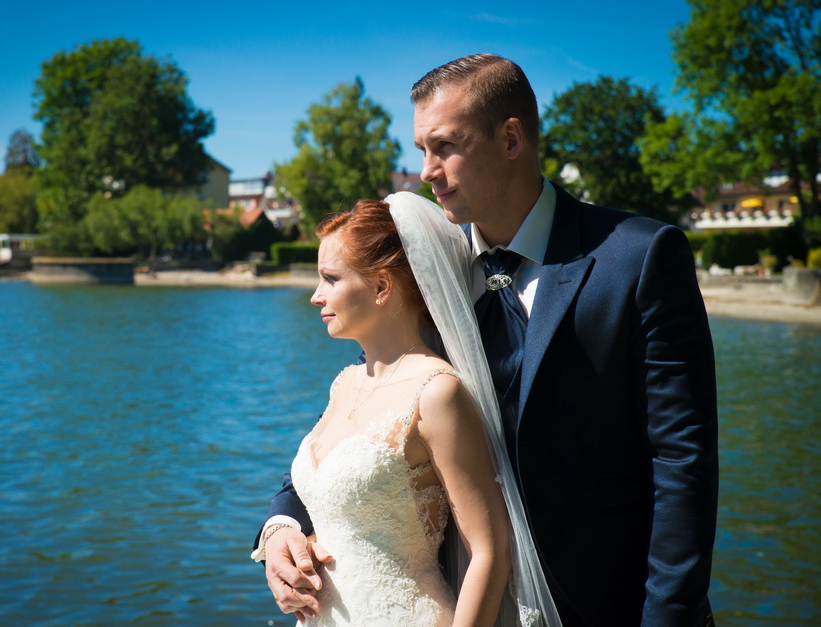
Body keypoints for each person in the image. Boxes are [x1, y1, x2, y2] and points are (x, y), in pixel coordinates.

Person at [256, 53, 719, 627]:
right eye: (421, 149)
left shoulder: (637, 256)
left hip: (609, 604)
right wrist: (281, 525)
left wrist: (667, 618)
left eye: (445, 146)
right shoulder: (428, 276)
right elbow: (365, 416)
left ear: (510, 138)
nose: (426, 170)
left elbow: (682, 460)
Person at [255, 195, 559, 625]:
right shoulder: (345, 384)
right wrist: (283, 532)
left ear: (381, 287)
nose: (315, 296)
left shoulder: (436, 393)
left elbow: (491, 551)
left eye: (329, 278)